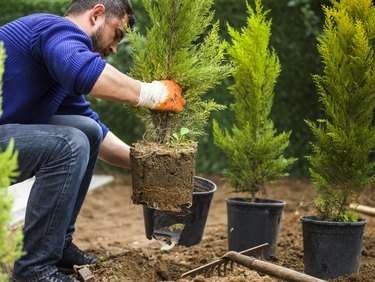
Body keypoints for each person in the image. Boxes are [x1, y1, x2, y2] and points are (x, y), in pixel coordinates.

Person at [0, 0, 185, 281]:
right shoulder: (55, 29)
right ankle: (34, 270)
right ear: (97, 14)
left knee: (86, 130)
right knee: (68, 143)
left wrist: (149, 167)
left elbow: (96, 131)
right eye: (117, 34)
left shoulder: (56, 66)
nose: (113, 48)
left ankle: (56, 246)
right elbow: (85, 72)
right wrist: (153, 94)